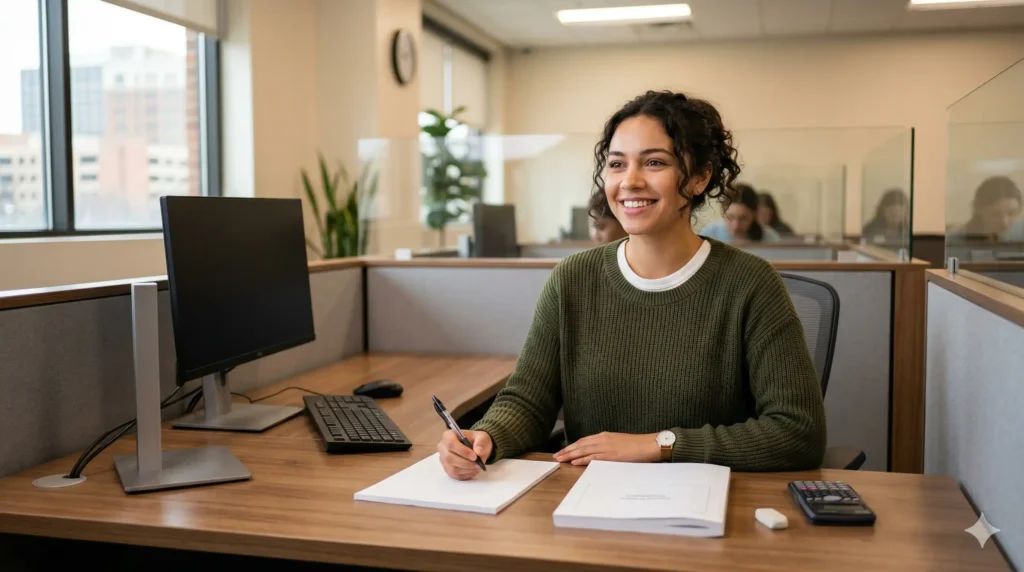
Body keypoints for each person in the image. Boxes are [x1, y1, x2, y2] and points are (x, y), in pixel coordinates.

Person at [436, 90, 826, 480]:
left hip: (704, 510)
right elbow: (528, 401)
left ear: (700, 177)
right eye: (618, 164)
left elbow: (798, 431)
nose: (630, 182)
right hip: (588, 500)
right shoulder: (573, 279)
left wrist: (659, 444)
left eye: (654, 162)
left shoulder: (749, 284)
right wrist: (487, 435)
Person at [949, 176, 1024, 241]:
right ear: (978, 209)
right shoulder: (953, 241)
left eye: (1011, 213)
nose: (1005, 223)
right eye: (995, 214)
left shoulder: (1021, 231)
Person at [700, 183, 781, 243]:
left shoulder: (769, 238)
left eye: (743, 218)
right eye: (730, 217)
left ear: (754, 215)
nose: (736, 226)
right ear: (723, 213)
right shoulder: (709, 235)